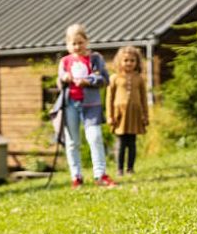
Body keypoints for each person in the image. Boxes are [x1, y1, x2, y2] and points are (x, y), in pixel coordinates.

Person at [57, 23, 117, 188]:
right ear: (68, 45)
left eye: (80, 42)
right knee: (72, 142)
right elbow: (59, 82)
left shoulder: (95, 58)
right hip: (70, 104)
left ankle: (100, 174)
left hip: (91, 104)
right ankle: (76, 176)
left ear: (86, 41)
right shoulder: (64, 61)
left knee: (95, 137)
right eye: (73, 43)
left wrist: (88, 80)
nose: (77, 46)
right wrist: (64, 78)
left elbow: (104, 79)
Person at [106, 46, 149, 176]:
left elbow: (144, 99)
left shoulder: (139, 79)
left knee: (132, 142)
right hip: (120, 115)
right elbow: (109, 98)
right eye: (126, 60)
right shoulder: (114, 78)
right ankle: (119, 169)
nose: (129, 63)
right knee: (121, 142)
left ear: (137, 62)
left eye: (132, 60)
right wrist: (110, 115)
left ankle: (130, 168)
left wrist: (145, 115)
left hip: (135, 114)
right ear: (120, 61)